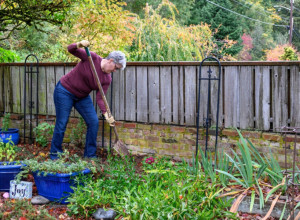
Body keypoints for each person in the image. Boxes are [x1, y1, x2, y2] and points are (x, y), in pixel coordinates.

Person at [50, 40, 126, 160]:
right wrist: (79, 44)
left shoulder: (107, 78)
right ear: (111, 61)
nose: (115, 71)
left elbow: (100, 98)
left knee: (93, 122)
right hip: (65, 91)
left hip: (81, 97)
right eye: (116, 68)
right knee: (62, 123)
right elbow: (70, 49)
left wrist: (107, 115)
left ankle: (90, 155)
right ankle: (54, 155)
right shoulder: (92, 57)